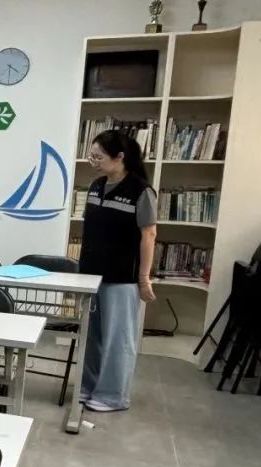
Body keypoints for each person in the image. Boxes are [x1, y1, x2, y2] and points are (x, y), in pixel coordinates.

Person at [79, 129, 157, 412]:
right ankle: (88, 387)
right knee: (91, 336)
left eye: (98, 157)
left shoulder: (141, 191)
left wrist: (143, 279)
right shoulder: (96, 185)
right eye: (92, 157)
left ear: (119, 157)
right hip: (91, 274)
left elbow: (149, 235)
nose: (94, 162)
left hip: (121, 278)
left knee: (118, 340)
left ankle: (113, 396)